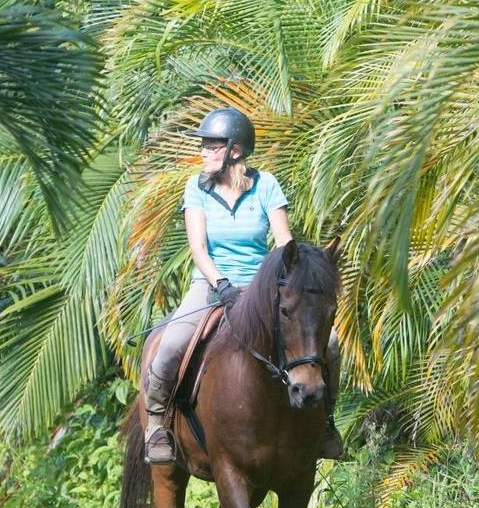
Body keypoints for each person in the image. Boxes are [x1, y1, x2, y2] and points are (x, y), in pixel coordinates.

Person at [140, 107, 344, 464]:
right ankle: (157, 423)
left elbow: (284, 243)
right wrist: (220, 283)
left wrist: (290, 280)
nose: (203, 151)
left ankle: (325, 422)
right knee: (171, 344)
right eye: (203, 145)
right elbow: (198, 249)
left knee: (330, 343)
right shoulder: (196, 188)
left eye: (211, 145)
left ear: (235, 150)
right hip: (210, 283)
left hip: (263, 287)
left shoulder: (266, 185)